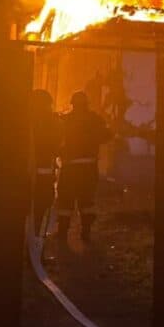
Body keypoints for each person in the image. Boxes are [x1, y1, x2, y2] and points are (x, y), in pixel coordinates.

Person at [55, 90, 110, 243]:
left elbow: (55, 139)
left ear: (72, 104)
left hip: (70, 168)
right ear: (86, 104)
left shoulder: (65, 120)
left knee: (65, 201)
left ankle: (62, 233)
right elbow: (107, 135)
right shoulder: (95, 119)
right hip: (89, 168)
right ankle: (86, 232)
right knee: (87, 201)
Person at [30, 89, 61, 252]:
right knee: (41, 215)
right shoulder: (53, 122)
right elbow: (58, 146)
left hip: (24, 178)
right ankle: (36, 251)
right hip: (44, 176)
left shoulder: (24, 121)